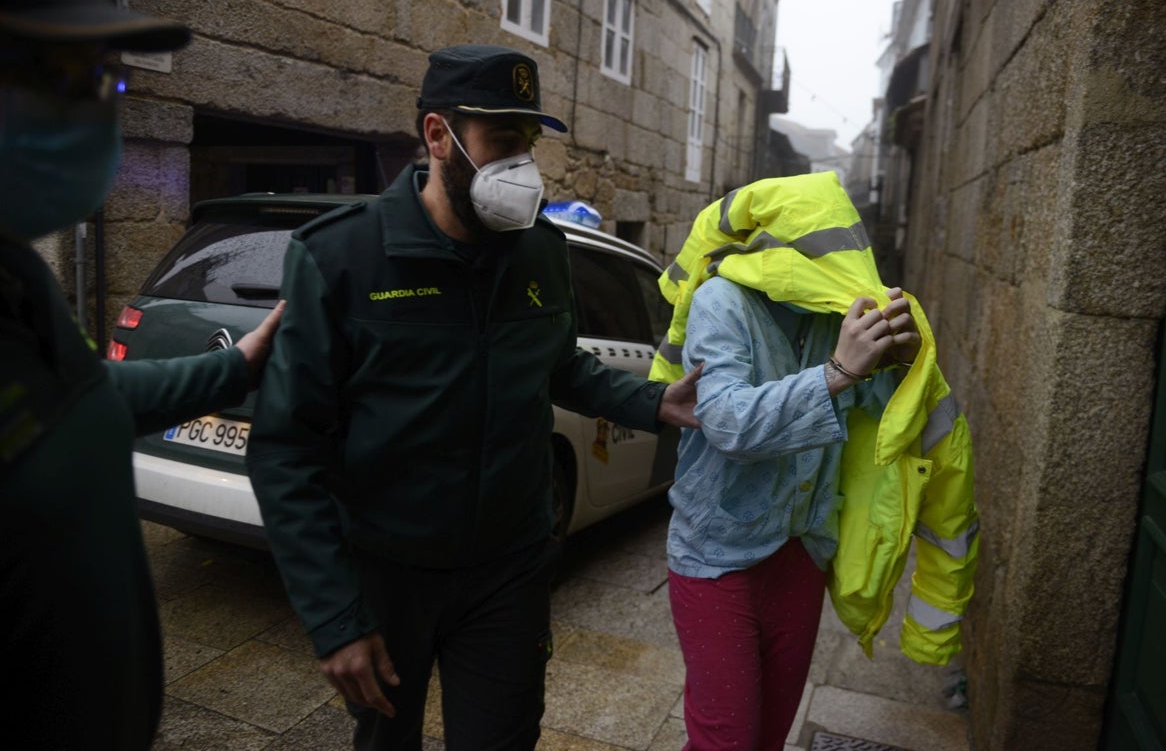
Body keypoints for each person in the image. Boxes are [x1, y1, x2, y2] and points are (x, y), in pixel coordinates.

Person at [246, 43, 701, 750]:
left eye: (528, 143)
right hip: (387, 572)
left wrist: (656, 401)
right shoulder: (342, 257)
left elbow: (561, 367)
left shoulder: (542, 253)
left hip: (509, 571)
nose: (522, 164)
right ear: (438, 136)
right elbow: (284, 448)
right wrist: (334, 617)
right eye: (502, 141)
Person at [0, 0, 285, 749]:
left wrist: (243, 361)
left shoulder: (16, 278)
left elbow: (83, 395)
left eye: (101, 76)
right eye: (47, 70)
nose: (94, 107)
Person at [649, 172, 977, 751]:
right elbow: (725, 420)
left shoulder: (839, 316)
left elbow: (892, 430)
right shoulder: (720, 301)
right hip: (713, 559)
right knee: (727, 738)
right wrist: (838, 373)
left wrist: (900, 366)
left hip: (801, 555)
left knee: (771, 733)